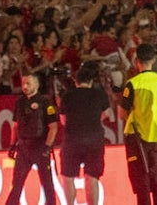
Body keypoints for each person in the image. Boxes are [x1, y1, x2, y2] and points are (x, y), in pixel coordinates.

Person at [119, 43, 157, 205]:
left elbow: (122, 113)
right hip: (155, 135)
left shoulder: (133, 83)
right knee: (156, 177)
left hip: (137, 136)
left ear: (137, 61)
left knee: (141, 180)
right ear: (154, 60)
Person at [58, 60, 110, 205]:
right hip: (94, 140)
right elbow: (106, 113)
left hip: (72, 140)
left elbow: (63, 120)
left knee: (68, 177)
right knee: (92, 178)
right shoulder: (99, 94)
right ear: (91, 80)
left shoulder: (67, 95)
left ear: (76, 80)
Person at [3, 74, 59, 205]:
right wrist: (12, 144)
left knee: (47, 183)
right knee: (16, 183)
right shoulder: (20, 103)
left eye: (28, 83)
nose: (25, 86)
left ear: (37, 85)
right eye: (23, 84)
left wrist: (47, 146)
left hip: (40, 147)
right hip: (23, 148)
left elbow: (53, 127)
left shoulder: (45, 102)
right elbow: (15, 125)